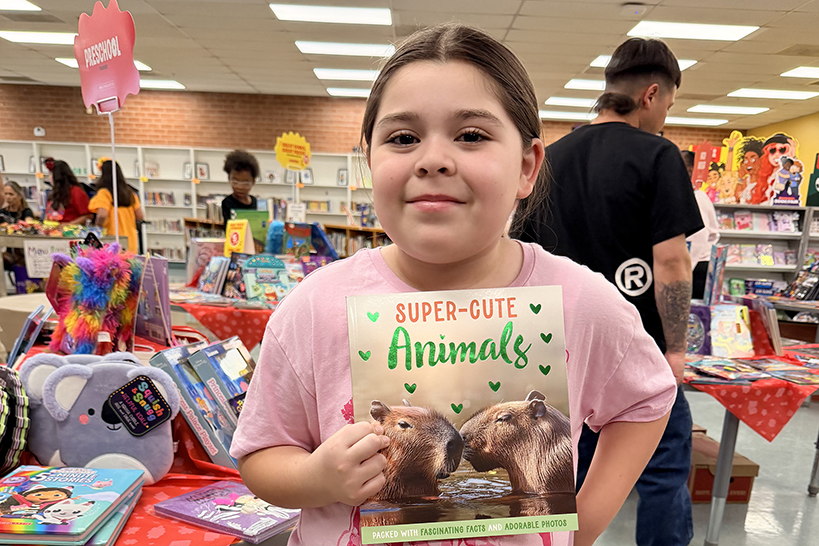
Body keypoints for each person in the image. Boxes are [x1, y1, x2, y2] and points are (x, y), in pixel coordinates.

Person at [231, 24, 677, 546]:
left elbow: (646, 402)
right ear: (370, 160)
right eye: (402, 138)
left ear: (527, 167)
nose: (433, 159)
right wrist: (317, 478)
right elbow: (261, 454)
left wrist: (584, 520)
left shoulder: (581, 300)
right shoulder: (314, 306)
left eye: (471, 135)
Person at [513, 37, 702, 546]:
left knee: (566, 469)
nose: (664, 114)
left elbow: (519, 264)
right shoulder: (659, 156)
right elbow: (670, 261)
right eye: (668, 104)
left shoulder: (549, 159)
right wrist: (677, 348)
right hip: (634, 356)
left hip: (559, 351)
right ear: (652, 94)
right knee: (661, 472)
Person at [682, 151, 719, 300]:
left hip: (695, 266)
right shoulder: (696, 195)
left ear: (689, 169)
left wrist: (686, 268)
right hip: (696, 263)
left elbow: (699, 236)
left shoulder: (695, 198)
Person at [88, 160, 143, 252]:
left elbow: (102, 214)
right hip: (130, 239)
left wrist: (97, 227)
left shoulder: (105, 193)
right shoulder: (130, 193)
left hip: (112, 239)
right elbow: (140, 215)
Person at [44, 160, 92, 225]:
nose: (49, 177)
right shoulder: (53, 193)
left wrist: (68, 224)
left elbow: (88, 216)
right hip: (52, 232)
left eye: (50, 174)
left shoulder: (76, 192)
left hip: (70, 233)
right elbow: (49, 213)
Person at [220, 150, 259, 229]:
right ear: (229, 178)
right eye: (235, 182)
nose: (240, 187)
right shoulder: (227, 203)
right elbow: (229, 230)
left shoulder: (254, 201)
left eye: (245, 184)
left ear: (253, 182)